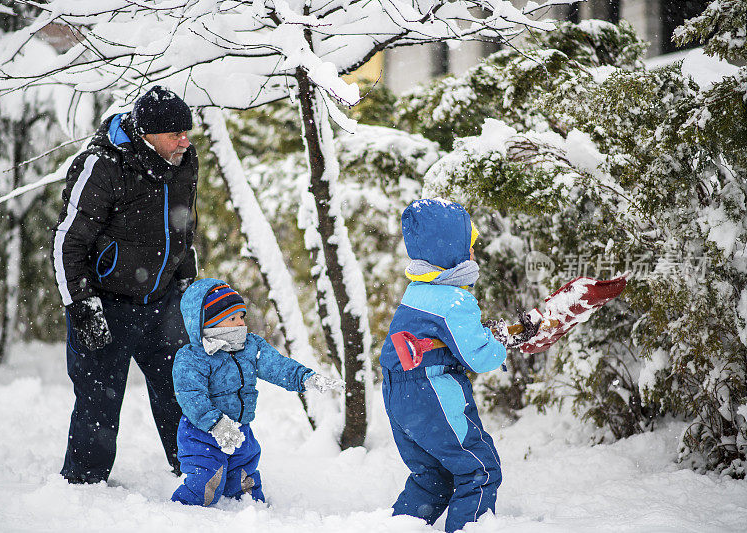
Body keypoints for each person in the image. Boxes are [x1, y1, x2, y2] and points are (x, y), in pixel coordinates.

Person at [52, 85, 199, 484]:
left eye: (188, 131)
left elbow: (183, 230)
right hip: (106, 302)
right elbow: (69, 240)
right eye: (175, 135)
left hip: (163, 301)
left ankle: (195, 470)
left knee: (182, 391)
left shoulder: (183, 161)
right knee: (99, 401)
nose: (185, 141)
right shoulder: (102, 166)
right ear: (148, 135)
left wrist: (187, 287)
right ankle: (83, 485)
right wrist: (81, 305)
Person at [379, 198, 540, 533]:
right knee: (479, 471)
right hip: (432, 392)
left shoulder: (418, 291)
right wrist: (503, 341)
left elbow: (441, 337)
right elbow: (478, 357)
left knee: (432, 478)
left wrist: (485, 334)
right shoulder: (454, 299)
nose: (473, 254)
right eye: (469, 247)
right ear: (451, 251)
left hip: (398, 395)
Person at [170, 278, 344, 507]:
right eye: (232, 319)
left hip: (241, 430)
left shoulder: (251, 346)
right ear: (206, 323)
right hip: (202, 432)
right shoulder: (193, 357)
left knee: (244, 474)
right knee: (206, 479)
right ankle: (184, 512)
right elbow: (191, 396)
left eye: (241, 316)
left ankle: (251, 509)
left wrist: (305, 377)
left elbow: (278, 365)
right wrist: (216, 423)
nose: (241, 323)